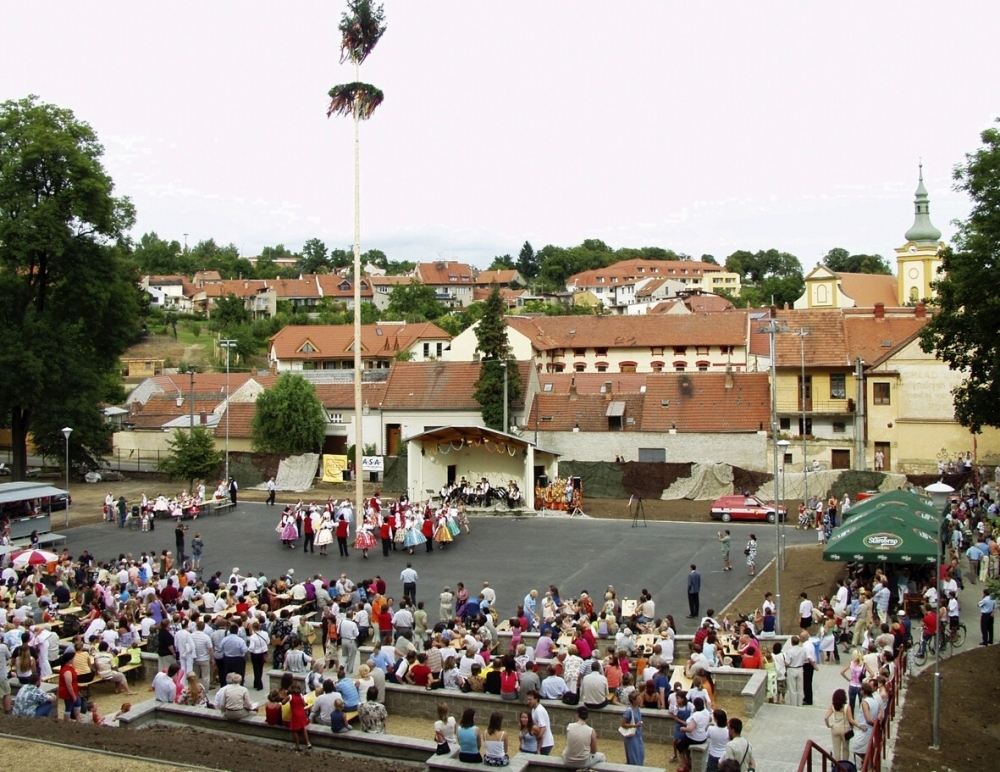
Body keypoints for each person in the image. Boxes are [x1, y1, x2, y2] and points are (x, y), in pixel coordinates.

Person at [849, 682, 879, 761]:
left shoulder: (865, 702)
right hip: (870, 730)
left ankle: (866, 761)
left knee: (855, 748)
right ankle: (866, 761)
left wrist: (874, 724)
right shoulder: (875, 701)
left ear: (863, 691)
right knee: (864, 748)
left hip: (864, 729)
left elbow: (868, 719)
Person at [824, 688, 853, 761]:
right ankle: (845, 765)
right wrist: (859, 726)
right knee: (845, 749)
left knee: (836, 750)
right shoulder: (847, 707)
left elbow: (826, 718)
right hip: (845, 729)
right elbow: (851, 720)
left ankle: (837, 765)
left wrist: (829, 725)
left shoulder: (833, 706)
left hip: (835, 728)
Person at [621, 689, 645, 765]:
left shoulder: (638, 709)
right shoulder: (629, 711)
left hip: (638, 735)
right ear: (633, 701)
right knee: (634, 757)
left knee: (641, 754)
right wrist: (635, 725)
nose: (640, 700)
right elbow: (623, 724)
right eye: (638, 699)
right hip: (631, 737)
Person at [526, 690, 554, 755]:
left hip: (545, 744)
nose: (528, 702)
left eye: (530, 700)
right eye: (528, 700)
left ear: (536, 699)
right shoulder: (534, 710)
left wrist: (537, 740)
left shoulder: (539, 710)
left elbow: (543, 728)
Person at [57, 649, 82, 722]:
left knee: (77, 704)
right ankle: (66, 721)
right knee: (69, 707)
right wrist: (73, 695)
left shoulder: (69, 668)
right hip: (68, 692)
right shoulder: (67, 671)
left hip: (74, 690)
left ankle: (78, 719)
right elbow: (69, 685)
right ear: (69, 660)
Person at [285, 681, 311, 750]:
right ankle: (308, 743)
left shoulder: (290, 696)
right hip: (302, 714)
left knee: (294, 730)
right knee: (303, 728)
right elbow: (304, 704)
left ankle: (297, 745)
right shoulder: (301, 696)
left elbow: (283, 702)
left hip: (295, 715)